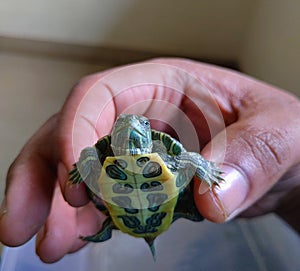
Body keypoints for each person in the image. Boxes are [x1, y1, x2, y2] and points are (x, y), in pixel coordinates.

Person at [0, 58, 299, 263]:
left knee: (191, 168)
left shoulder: (165, 150)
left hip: (147, 205)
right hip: (127, 210)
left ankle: (105, 228)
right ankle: (105, 229)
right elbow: (90, 156)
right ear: (115, 133)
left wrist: (210, 169)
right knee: (89, 168)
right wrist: (82, 167)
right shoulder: (100, 154)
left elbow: (189, 158)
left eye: (141, 124)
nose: (131, 126)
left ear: (148, 132)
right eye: (122, 126)